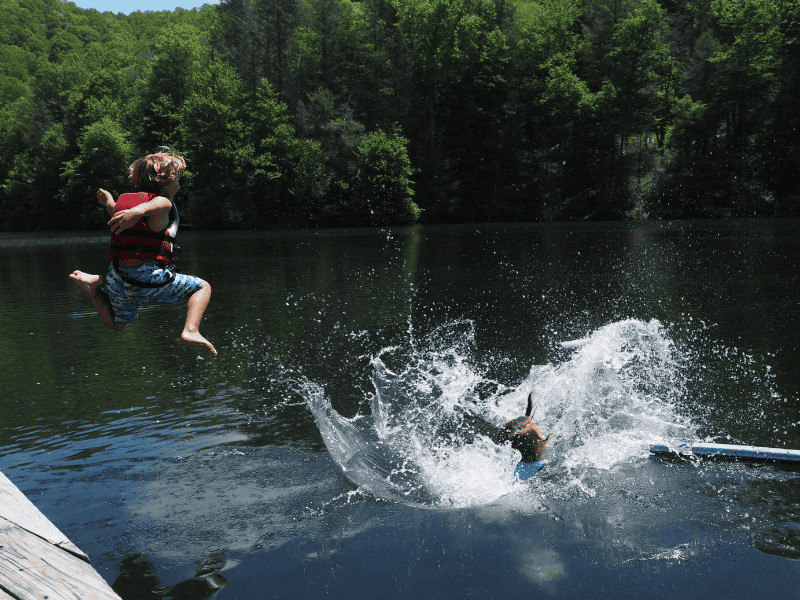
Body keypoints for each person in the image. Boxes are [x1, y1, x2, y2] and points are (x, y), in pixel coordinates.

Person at [69, 152, 217, 356]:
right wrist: (139, 212)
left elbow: (116, 213)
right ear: (167, 182)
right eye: (178, 181)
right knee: (203, 287)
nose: (179, 186)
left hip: (118, 277)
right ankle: (190, 330)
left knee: (116, 324)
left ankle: (95, 289)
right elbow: (158, 205)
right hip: (145, 277)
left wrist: (110, 202)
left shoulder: (125, 202)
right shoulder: (162, 203)